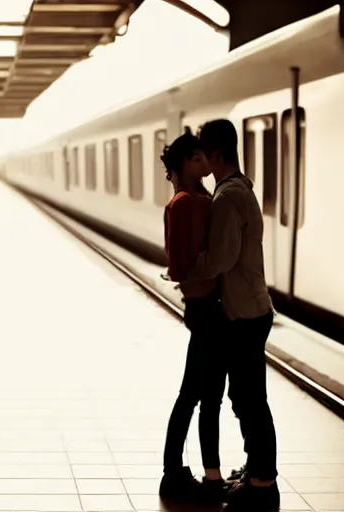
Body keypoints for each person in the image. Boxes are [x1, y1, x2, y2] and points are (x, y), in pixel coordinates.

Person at [182, 119, 279, 511]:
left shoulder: (226, 197)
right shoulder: (242, 188)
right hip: (254, 309)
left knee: (249, 400)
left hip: (244, 315)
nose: (202, 162)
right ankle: (258, 470)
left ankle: (262, 484)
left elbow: (219, 260)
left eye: (205, 154)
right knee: (249, 397)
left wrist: (185, 268)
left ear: (216, 154)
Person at [158, 133, 228, 504]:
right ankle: (175, 470)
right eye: (198, 159)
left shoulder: (204, 197)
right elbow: (179, 263)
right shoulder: (183, 203)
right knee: (194, 394)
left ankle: (207, 474)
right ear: (185, 163)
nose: (205, 165)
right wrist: (211, 265)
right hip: (203, 309)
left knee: (207, 395)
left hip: (213, 306)